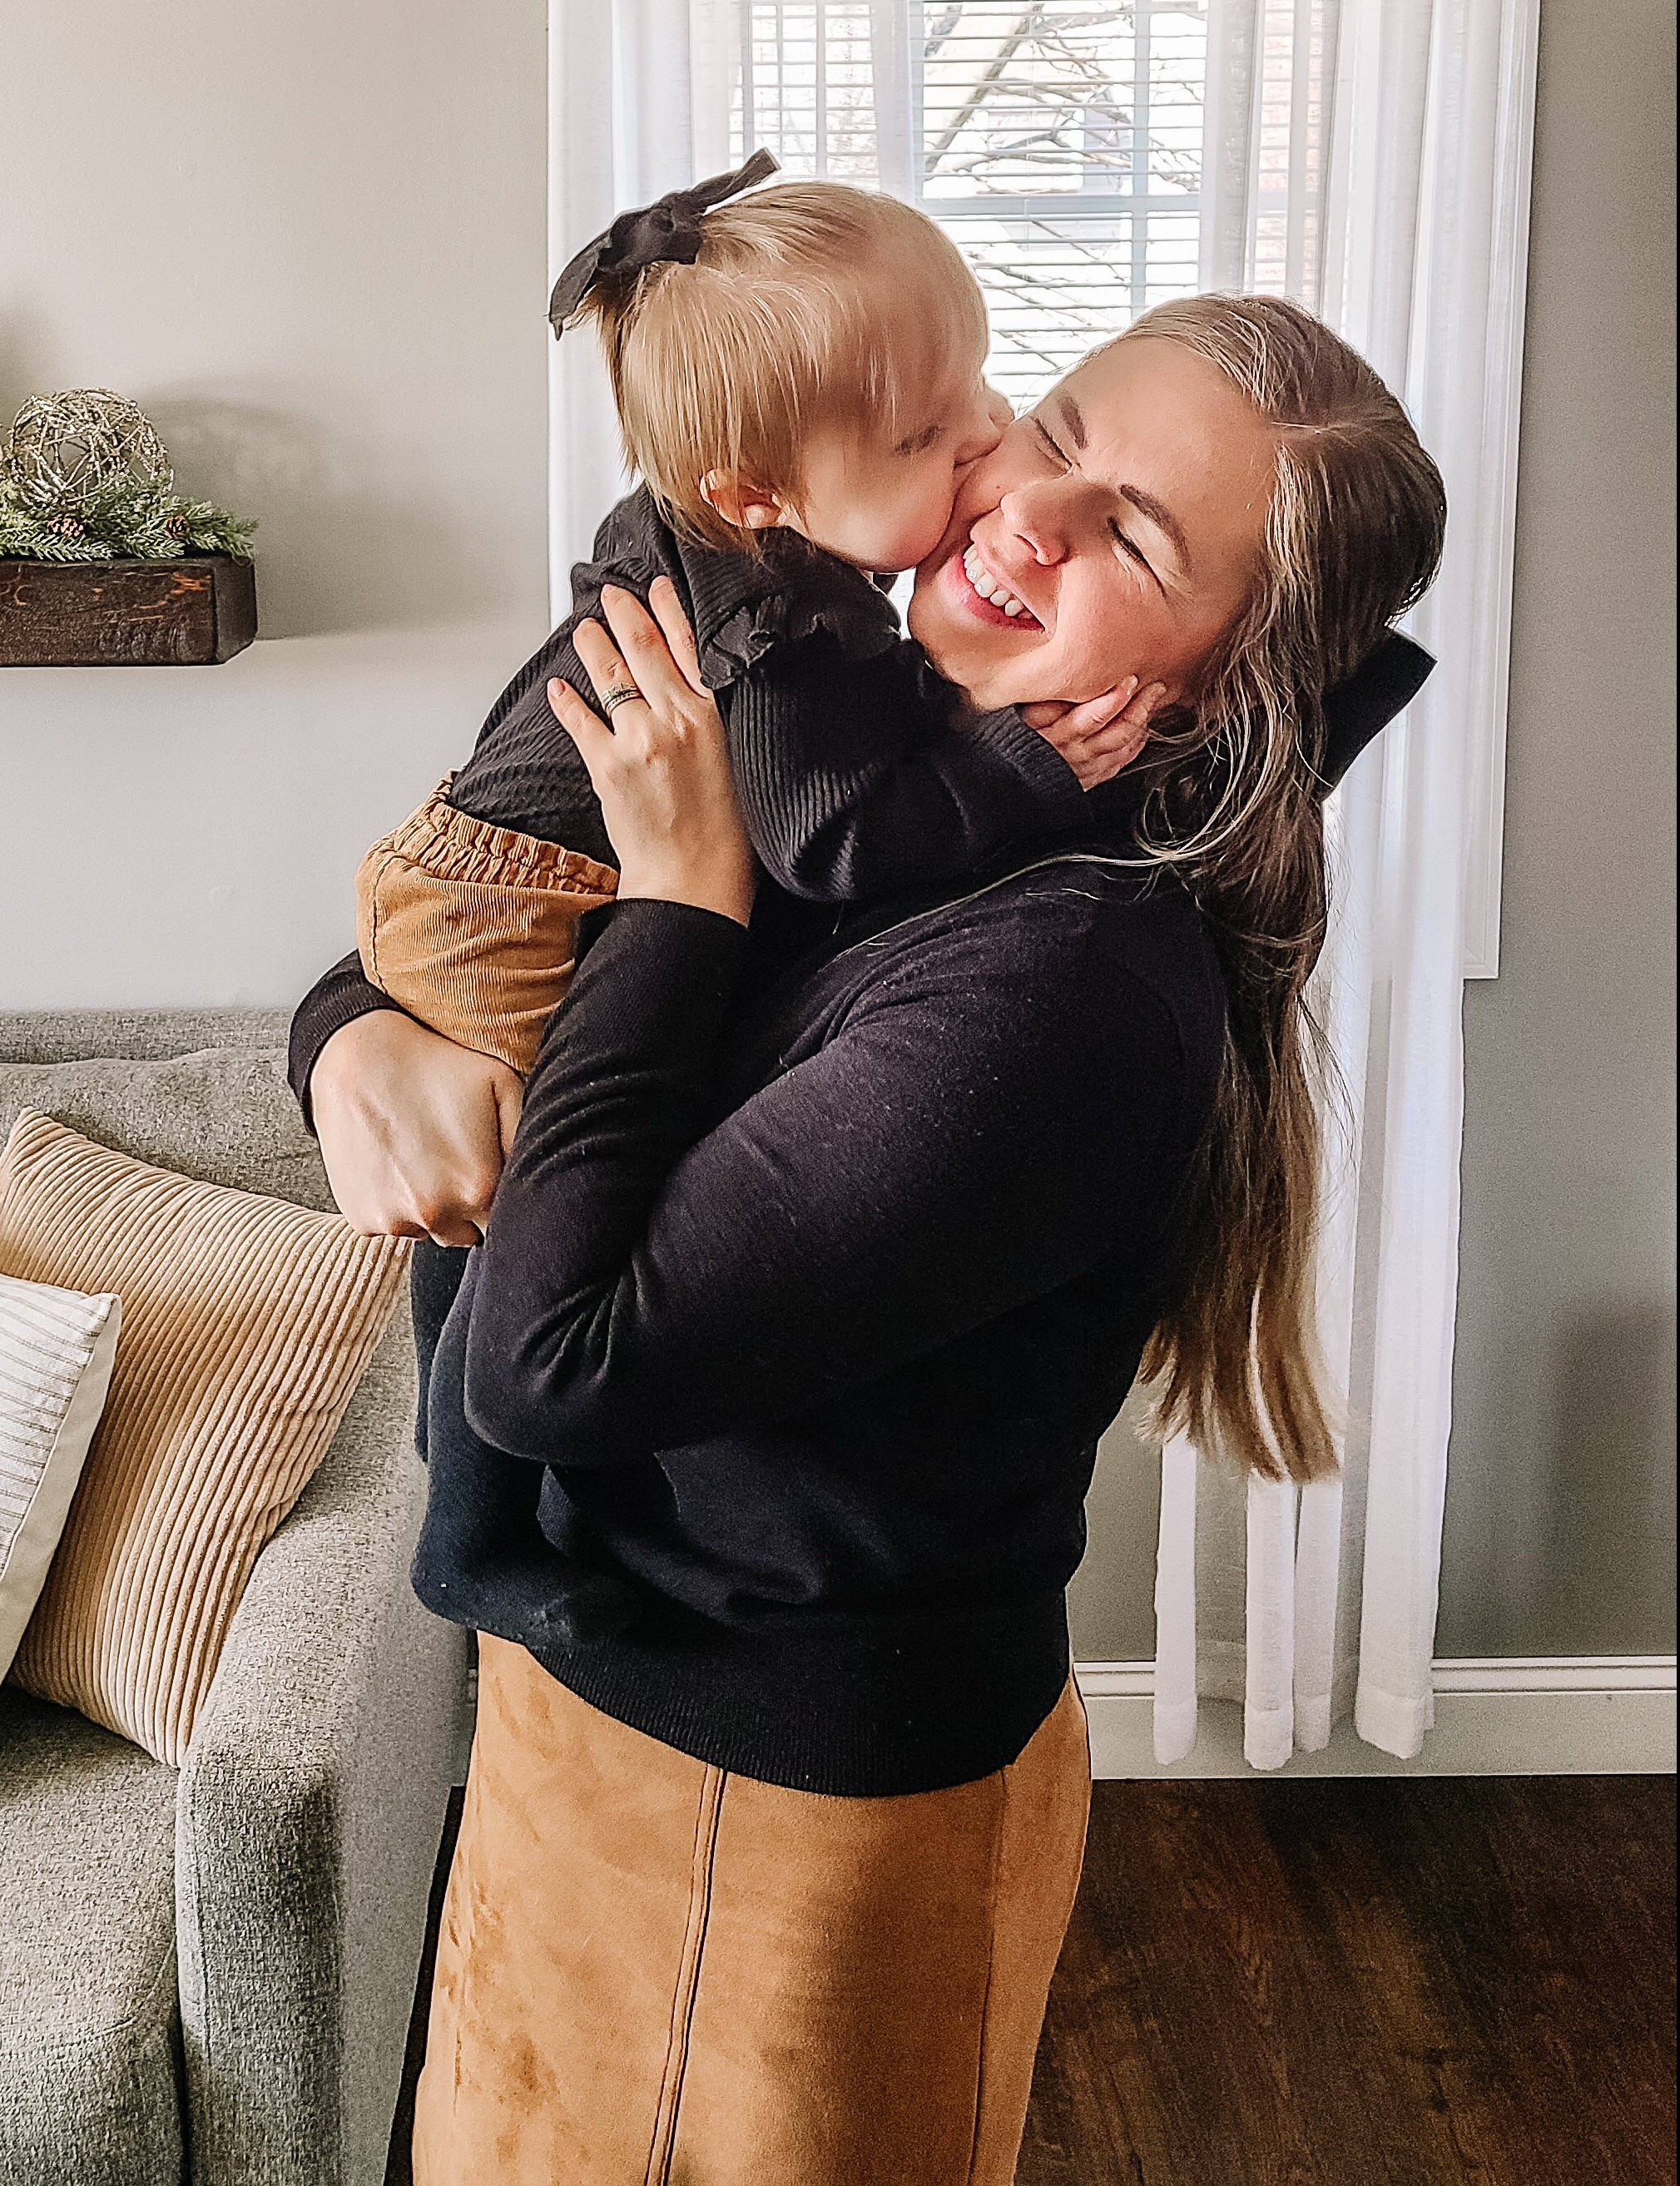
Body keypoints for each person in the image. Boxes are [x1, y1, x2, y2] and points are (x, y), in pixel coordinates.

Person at [291, 294, 1445, 2185]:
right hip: (587, 1727)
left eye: (1135, 536)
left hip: (774, 1811)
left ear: (1232, 682)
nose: (1033, 512)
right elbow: (494, 909)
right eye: (1058, 427)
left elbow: (548, 1357)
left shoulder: (1066, 978)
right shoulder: (853, 724)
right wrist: (352, 1036)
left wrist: (676, 899)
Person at [349, 153, 1163, 1650]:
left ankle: (465, 1513)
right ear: (756, 495)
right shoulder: (785, 620)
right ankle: (464, 1538)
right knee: (535, 1206)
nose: (985, 437)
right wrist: (1019, 776)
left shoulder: (751, 534)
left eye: (990, 383)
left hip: (479, 872)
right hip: (509, 898)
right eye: (929, 431)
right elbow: (830, 840)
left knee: (524, 1194)